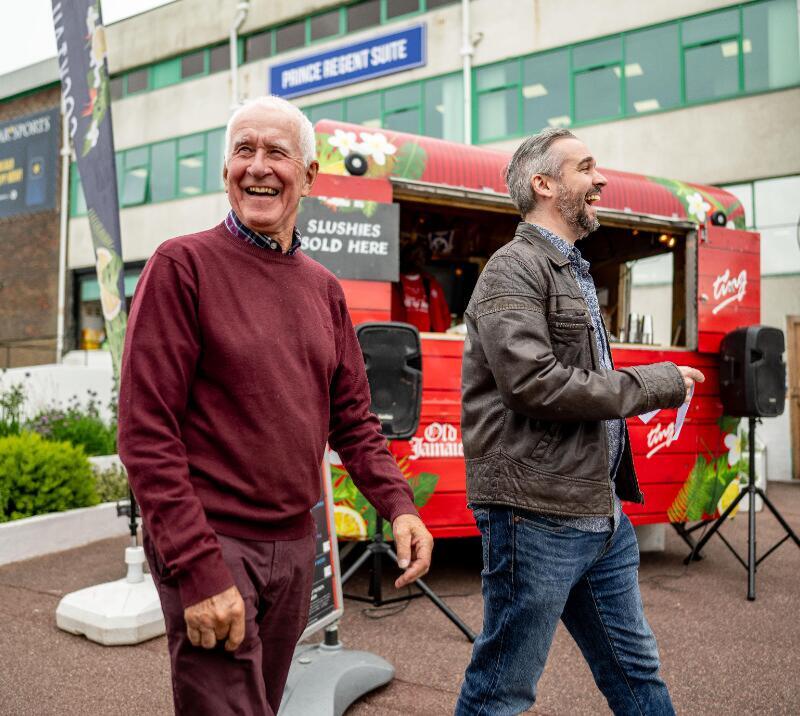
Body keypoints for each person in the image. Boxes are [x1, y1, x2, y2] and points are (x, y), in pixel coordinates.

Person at [118, 95, 433, 716]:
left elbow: (353, 420)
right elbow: (145, 432)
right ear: (224, 172)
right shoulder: (182, 266)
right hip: (212, 540)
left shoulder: (323, 289)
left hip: (294, 548)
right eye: (243, 151)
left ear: (309, 176)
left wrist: (399, 506)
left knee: (264, 702)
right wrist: (199, 569)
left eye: (276, 153)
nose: (257, 167)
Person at [455, 127, 704, 715]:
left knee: (636, 671)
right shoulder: (512, 268)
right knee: (503, 689)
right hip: (537, 513)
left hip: (598, 513)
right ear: (543, 184)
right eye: (586, 168)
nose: (601, 179)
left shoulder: (571, 269)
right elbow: (533, 383)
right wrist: (655, 383)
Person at [391, 238, 451, 332]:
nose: (419, 259)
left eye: (421, 256)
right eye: (415, 255)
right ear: (405, 257)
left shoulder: (431, 284)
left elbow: (444, 314)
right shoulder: (394, 284)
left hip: (430, 340)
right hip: (401, 339)